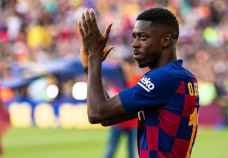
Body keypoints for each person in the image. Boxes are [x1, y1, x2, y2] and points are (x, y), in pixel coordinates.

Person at [78, 7, 200, 158]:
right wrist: (90, 66)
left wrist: (94, 56)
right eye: (134, 37)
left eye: (143, 37)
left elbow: (97, 113)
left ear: (166, 40)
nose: (134, 44)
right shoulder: (183, 77)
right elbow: (107, 118)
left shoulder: (164, 78)